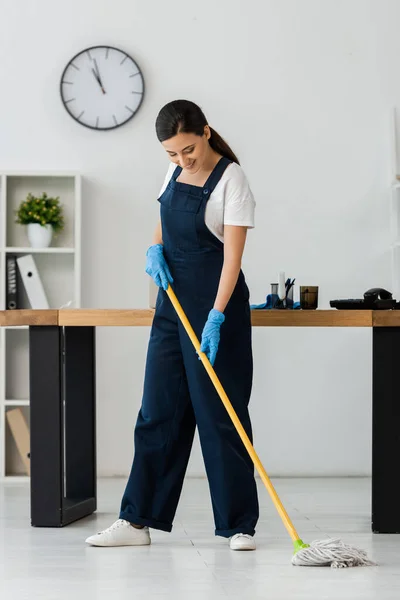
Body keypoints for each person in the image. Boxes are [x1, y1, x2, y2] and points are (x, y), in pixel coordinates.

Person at [85, 99, 259, 551]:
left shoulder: (231, 179)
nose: (182, 160)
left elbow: (232, 259)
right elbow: (162, 223)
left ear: (205, 131)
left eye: (187, 150)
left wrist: (217, 315)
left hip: (216, 304)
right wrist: (154, 249)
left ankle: (238, 525)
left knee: (221, 412)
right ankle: (136, 520)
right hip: (172, 306)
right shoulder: (173, 171)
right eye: (172, 154)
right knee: (158, 411)